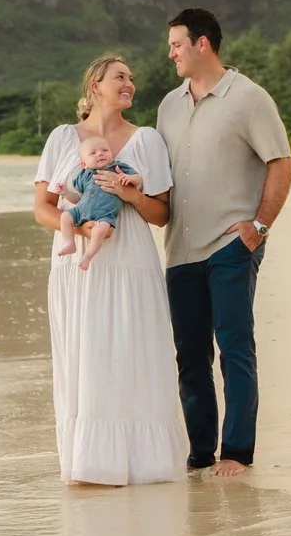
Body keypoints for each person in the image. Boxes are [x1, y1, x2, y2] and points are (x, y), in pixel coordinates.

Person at [32, 54, 190, 486]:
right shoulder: (63, 139)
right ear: (95, 85)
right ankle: (91, 464)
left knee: (133, 354)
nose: (129, 84)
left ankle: (147, 465)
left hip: (132, 262)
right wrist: (81, 230)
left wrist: (130, 195)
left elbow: (161, 213)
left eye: (132, 79)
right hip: (77, 267)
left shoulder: (148, 141)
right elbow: (42, 209)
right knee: (88, 357)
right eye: (120, 76)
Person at [155, 7, 291, 478]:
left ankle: (236, 452)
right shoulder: (168, 105)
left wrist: (260, 226)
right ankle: (200, 453)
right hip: (179, 249)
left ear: (202, 44)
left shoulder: (249, 98)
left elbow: (281, 162)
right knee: (190, 355)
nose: (170, 52)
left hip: (230, 246)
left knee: (235, 347)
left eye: (176, 44)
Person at [54, 134, 126, 269]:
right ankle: (69, 243)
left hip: (105, 213)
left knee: (101, 230)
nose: (100, 154)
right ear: (84, 164)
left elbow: (138, 178)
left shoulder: (117, 168)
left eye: (105, 150)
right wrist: (65, 193)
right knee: (65, 216)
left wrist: (129, 178)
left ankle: (88, 255)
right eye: (93, 153)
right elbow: (77, 198)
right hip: (81, 209)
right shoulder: (84, 175)